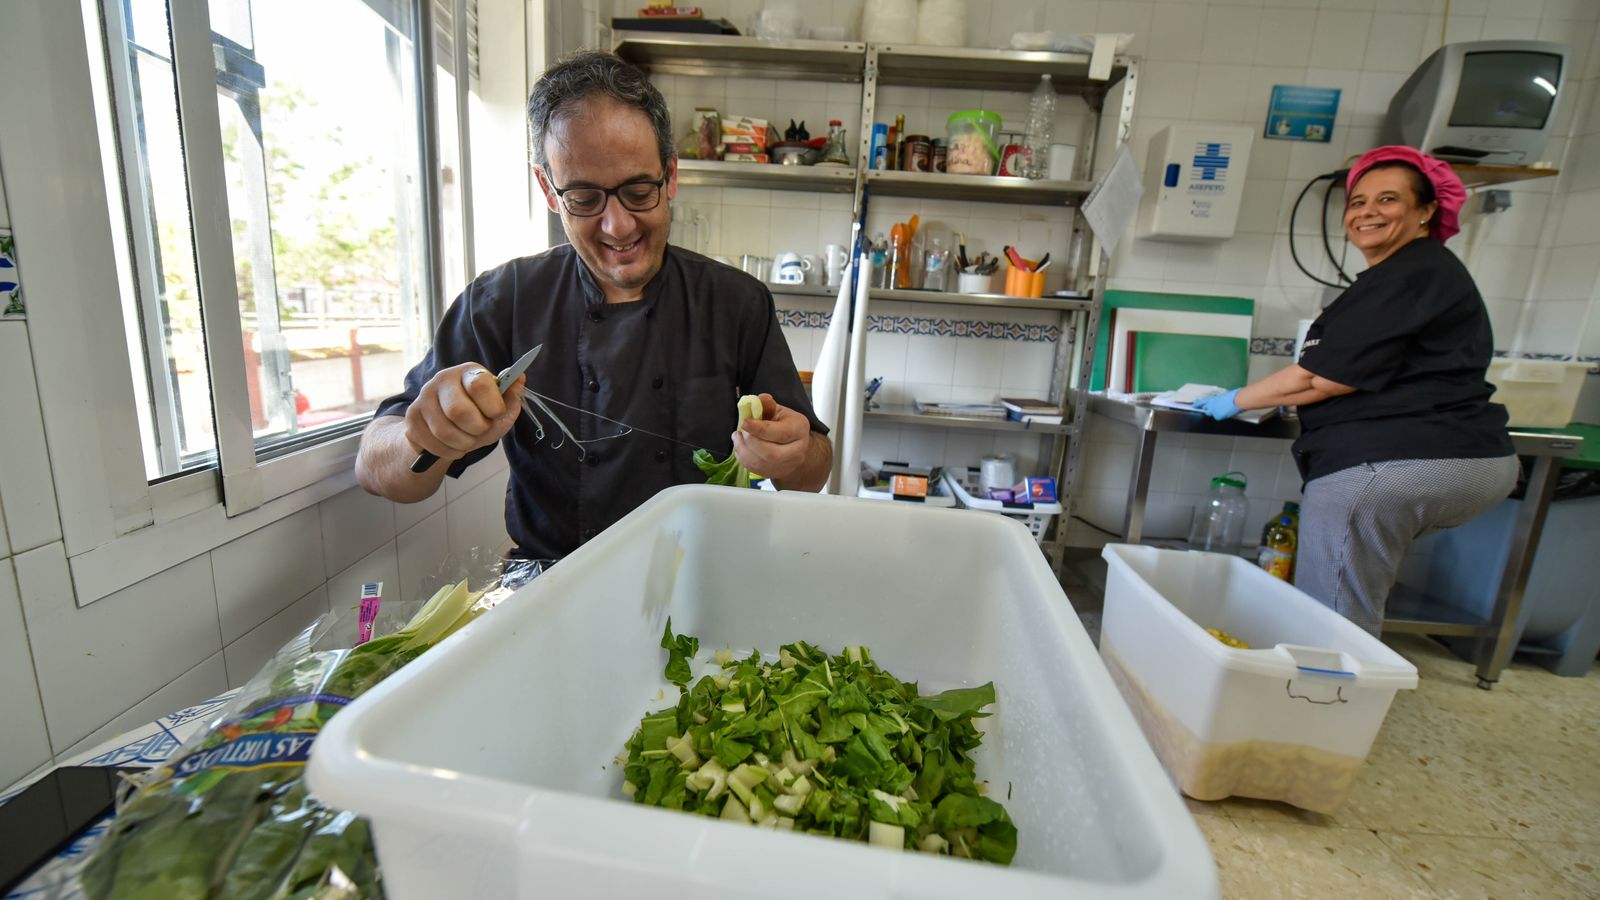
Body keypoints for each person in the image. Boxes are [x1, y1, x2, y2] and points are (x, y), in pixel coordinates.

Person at [355, 50, 832, 560]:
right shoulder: (505, 300)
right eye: (584, 198)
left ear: (670, 176)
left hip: (701, 585)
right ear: (549, 190)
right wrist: (426, 435)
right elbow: (374, 469)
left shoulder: (736, 300)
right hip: (551, 589)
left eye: (639, 191)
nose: (618, 225)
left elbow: (813, 473)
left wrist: (793, 454)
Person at [1194, 146, 1517, 635]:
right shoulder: (1411, 273)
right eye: (1358, 201)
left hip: (1391, 466)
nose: (1367, 212)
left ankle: (1327, 699)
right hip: (1450, 455)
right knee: (1348, 596)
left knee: (1335, 616)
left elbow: (1319, 379)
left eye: (1388, 199)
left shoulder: (1411, 272)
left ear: (1426, 210)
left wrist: (1234, 400)